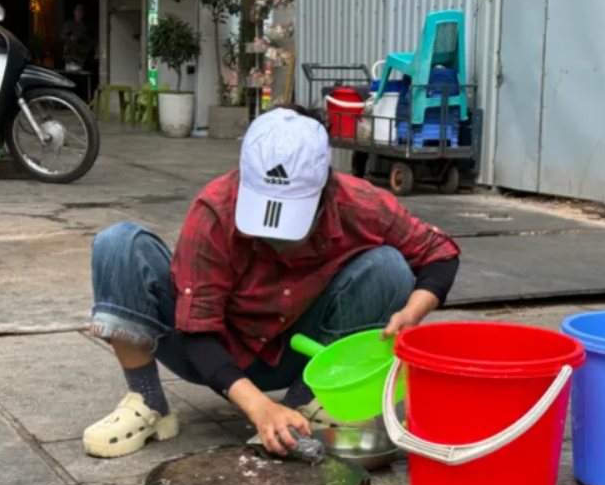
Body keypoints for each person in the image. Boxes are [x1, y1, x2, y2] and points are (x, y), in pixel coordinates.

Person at [85, 105, 461, 458]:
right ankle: (147, 402)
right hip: (211, 351)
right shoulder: (215, 210)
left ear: (325, 187)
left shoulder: (359, 202)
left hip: (301, 354)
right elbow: (198, 331)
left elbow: (439, 252)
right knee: (119, 244)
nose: (274, 236)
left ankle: (308, 403)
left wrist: (413, 312)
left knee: (388, 266)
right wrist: (259, 407)